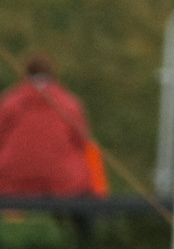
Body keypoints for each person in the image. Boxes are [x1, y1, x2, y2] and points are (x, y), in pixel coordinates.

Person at [0, 54, 103, 199]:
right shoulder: (69, 103)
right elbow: (82, 141)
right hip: (64, 183)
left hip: (13, 181)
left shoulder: (9, 102)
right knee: (88, 170)